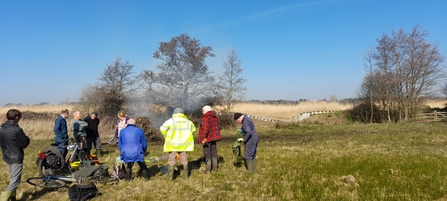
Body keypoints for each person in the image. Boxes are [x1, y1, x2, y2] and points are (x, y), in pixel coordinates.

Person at [0, 109, 30, 201]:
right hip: (16, 157)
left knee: (13, 178)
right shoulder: (17, 130)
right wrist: (27, 138)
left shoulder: (2, 129)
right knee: (15, 180)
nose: (20, 118)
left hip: (6, 156)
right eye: (20, 117)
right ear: (16, 117)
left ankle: (13, 198)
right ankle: (3, 199)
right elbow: (24, 143)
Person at [160, 108, 196, 180]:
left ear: (174, 113)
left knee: (171, 160)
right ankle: (186, 177)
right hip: (184, 144)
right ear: (182, 113)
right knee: (184, 160)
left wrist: (166, 136)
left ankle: (170, 177)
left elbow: (162, 129)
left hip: (173, 144)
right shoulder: (188, 122)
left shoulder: (171, 121)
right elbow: (193, 129)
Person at [198, 105, 222, 173]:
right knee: (213, 152)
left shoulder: (205, 118)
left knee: (207, 153)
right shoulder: (214, 117)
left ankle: (208, 170)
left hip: (207, 138)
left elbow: (205, 129)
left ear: (206, 110)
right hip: (214, 138)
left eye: (203, 111)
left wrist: (203, 138)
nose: (202, 112)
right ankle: (215, 169)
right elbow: (219, 127)